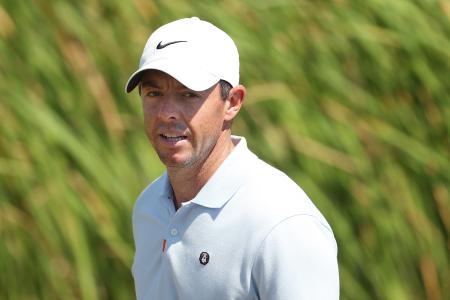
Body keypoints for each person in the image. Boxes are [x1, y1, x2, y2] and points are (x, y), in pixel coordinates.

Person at [125, 17, 339, 300]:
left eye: (188, 94)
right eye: (154, 93)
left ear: (233, 102)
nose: (166, 113)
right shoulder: (148, 208)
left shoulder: (283, 224)